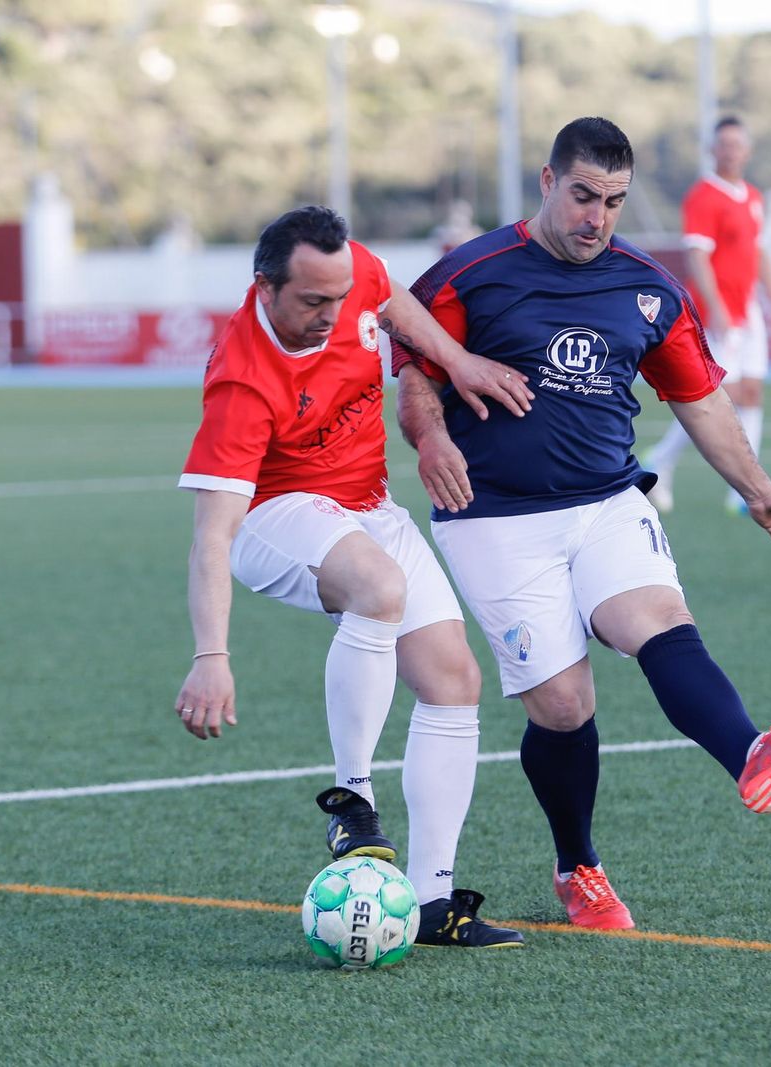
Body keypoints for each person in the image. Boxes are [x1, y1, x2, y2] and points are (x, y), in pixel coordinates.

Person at [392, 117, 771, 932]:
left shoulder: (649, 288)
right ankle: (578, 866)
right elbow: (418, 379)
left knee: (659, 619)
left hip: (606, 501)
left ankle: (753, 752)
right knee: (564, 705)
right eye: (583, 195)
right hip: (493, 517)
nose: (596, 217)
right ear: (547, 182)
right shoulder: (469, 275)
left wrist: (758, 485)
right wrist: (430, 440)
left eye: (614, 201)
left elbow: (700, 398)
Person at [174, 205, 535, 948]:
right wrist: (212, 656)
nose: (333, 314)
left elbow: (389, 296)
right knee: (379, 588)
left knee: (453, 679)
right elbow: (212, 536)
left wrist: (457, 360)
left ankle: (433, 901)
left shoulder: (349, 271)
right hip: (274, 517)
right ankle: (352, 802)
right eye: (313, 301)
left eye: (339, 298)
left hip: (369, 506)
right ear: (265, 287)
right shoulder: (242, 378)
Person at [642, 116, 771, 513]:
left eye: (737, 144)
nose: (730, 151)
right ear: (712, 150)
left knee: (752, 392)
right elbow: (697, 256)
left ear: (748, 151)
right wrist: (717, 308)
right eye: (723, 144)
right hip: (715, 312)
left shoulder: (753, 197)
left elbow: (758, 252)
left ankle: (746, 489)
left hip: (748, 310)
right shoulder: (704, 196)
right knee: (717, 396)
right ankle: (662, 461)